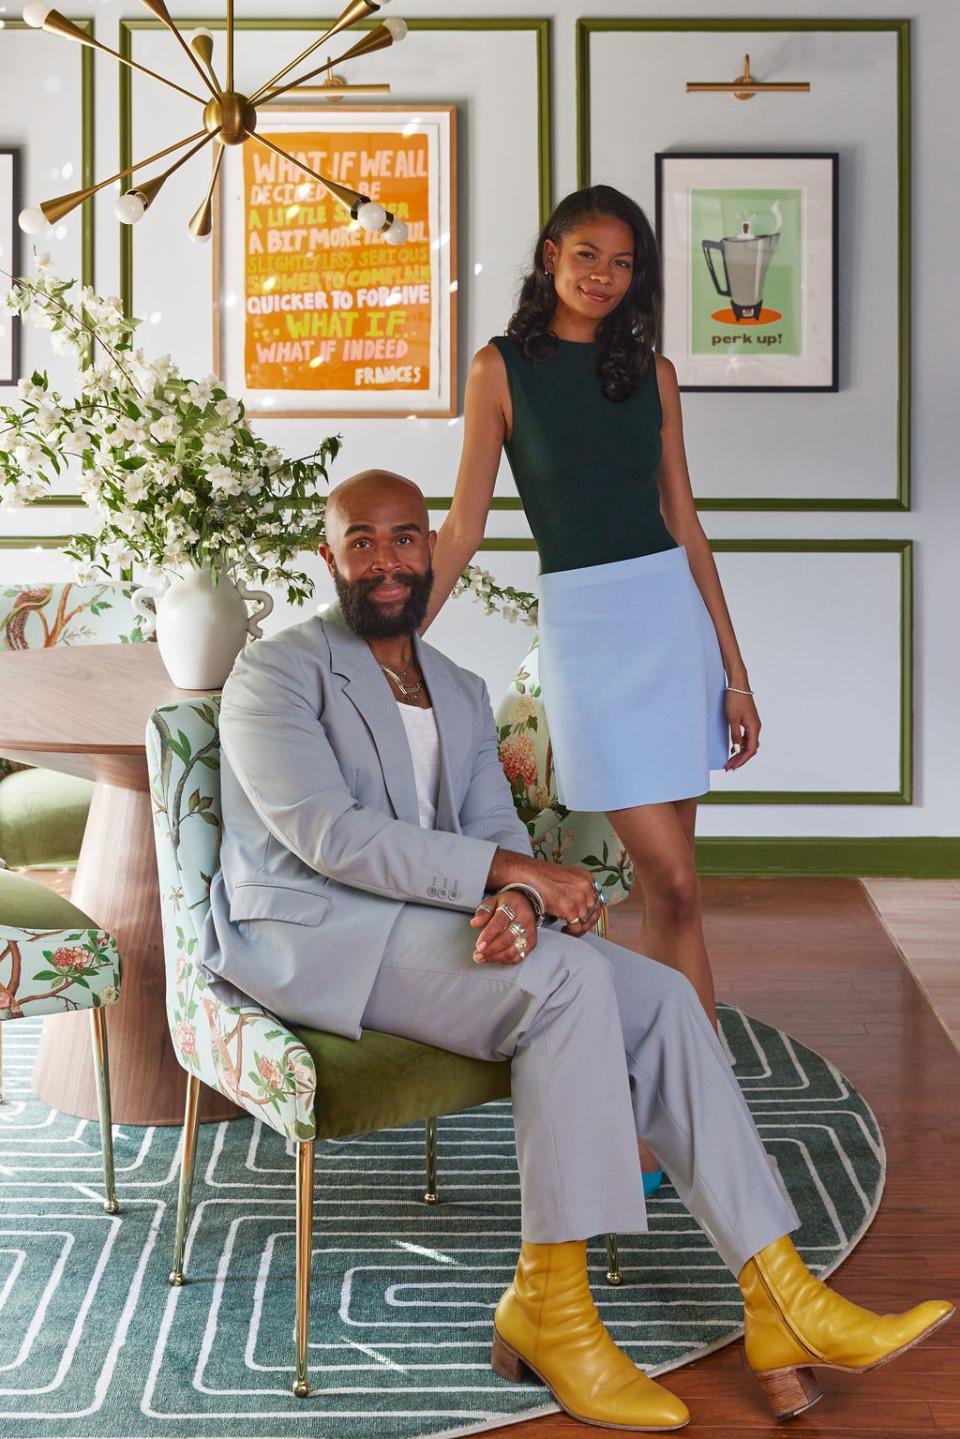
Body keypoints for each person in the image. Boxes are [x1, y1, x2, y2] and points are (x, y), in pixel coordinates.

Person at [200, 469, 952, 1434]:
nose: (384, 560)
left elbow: (485, 824)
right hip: (311, 933)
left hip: (416, 925)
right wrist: (516, 873)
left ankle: (782, 1298)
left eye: (403, 538)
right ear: (328, 557)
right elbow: (330, 836)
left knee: (664, 997)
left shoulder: (462, 693)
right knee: (565, 984)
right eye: (361, 541)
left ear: (433, 549)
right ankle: (553, 1308)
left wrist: (514, 898)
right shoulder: (277, 672)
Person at [424, 186, 750, 1165]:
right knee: (671, 874)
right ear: (551, 253)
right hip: (589, 639)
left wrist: (735, 671)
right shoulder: (499, 370)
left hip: (671, 628)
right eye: (589, 256)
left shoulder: (654, 373)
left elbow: (684, 522)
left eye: (623, 264)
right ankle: (685, 1096)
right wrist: (394, 636)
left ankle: (687, 1110)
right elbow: (465, 524)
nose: (605, 276)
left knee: (678, 897)